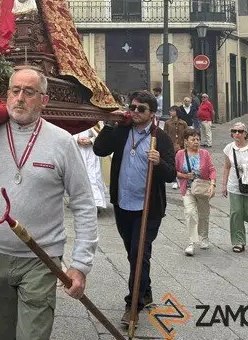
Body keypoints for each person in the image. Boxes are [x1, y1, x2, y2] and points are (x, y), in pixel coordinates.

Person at [0, 68, 98, 340]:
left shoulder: (61, 141)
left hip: (41, 259)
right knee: (0, 334)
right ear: (7, 95)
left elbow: (84, 203)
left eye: (29, 92)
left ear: (44, 100)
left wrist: (81, 264)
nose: (20, 98)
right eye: (15, 91)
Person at [94, 90, 176, 326]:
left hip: (148, 208)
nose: (135, 112)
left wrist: (158, 162)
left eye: (141, 109)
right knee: (134, 254)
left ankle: (133, 305)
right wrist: (110, 124)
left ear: (152, 113)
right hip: (123, 204)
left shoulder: (161, 138)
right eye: (133, 107)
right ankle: (145, 291)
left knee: (140, 253)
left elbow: (171, 174)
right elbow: (99, 150)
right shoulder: (122, 131)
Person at [221, 122, 248, 252]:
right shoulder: (229, 148)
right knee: (236, 213)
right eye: (234, 131)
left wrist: (247, 167)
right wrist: (224, 185)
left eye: (240, 131)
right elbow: (227, 167)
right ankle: (238, 241)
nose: (237, 134)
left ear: (245, 133)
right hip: (234, 184)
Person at [175, 127, 216, 256]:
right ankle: (191, 242)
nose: (196, 142)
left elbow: (212, 170)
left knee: (203, 214)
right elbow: (174, 171)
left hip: (202, 188)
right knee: (190, 212)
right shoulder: (180, 154)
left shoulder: (205, 154)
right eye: (193, 139)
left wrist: (212, 184)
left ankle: (204, 237)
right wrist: (185, 176)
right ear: (186, 141)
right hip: (187, 188)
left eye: (198, 139)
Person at [75, 123, 110, 211]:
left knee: (93, 176)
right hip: (78, 150)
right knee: (79, 177)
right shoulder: (75, 118)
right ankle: (80, 202)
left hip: (92, 151)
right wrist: (77, 139)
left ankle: (96, 204)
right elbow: (69, 132)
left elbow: (100, 133)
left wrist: (91, 140)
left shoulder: (95, 120)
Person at [164, 106, 188, 189]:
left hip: (181, 146)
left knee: (181, 163)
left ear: (177, 112)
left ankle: (182, 179)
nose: (170, 112)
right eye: (170, 111)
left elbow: (186, 135)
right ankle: (175, 181)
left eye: (172, 111)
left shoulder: (183, 123)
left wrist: (185, 145)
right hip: (171, 146)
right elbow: (165, 135)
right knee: (173, 163)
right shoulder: (167, 123)